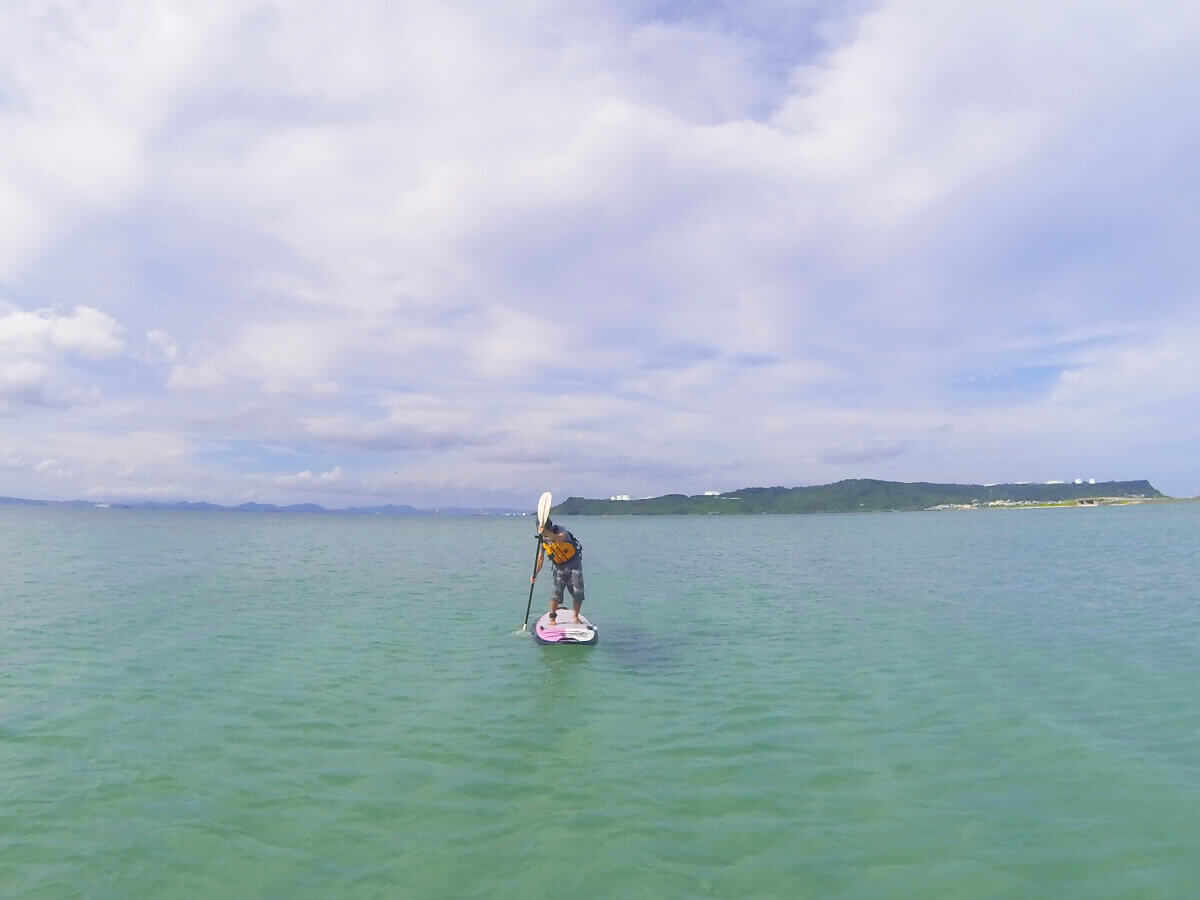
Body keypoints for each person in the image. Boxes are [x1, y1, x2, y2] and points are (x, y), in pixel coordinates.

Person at [531, 518, 585, 625]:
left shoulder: (560, 529)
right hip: (559, 567)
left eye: (547, 529)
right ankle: (552, 619)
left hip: (574, 564)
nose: (545, 533)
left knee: (577, 592)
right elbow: (540, 559)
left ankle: (575, 617)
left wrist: (546, 532)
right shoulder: (542, 540)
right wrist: (534, 575)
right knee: (556, 593)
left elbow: (561, 539)